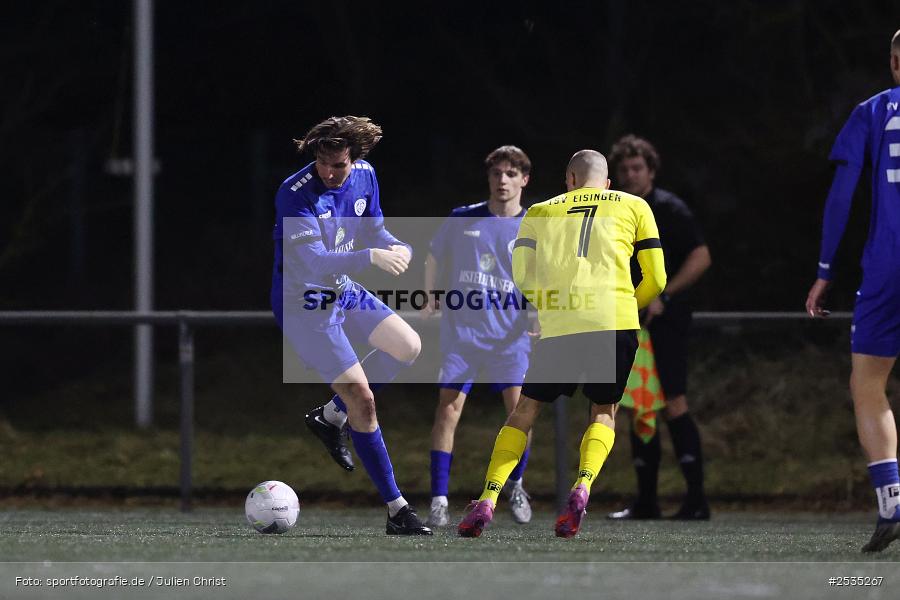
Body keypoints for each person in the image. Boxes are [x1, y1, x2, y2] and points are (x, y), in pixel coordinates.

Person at [457, 150, 666, 538]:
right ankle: (582, 486)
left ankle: (487, 498)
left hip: (561, 322)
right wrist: (622, 308)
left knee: (524, 410)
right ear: (607, 183)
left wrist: (549, 307)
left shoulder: (540, 212)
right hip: (614, 320)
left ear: (569, 179)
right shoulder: (635, 206)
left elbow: (522, 274)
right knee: (604, 410)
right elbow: (657, 279)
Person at [271, 115, 431, 535]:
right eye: (322, 164)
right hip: (303, 303)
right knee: (364, 399)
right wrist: (372, 257)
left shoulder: (365, 175)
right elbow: (313, 263)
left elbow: (375, 229)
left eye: (338, 165)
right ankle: (397, 509)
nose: (329, 173)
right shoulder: (294, 193)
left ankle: (329, 416)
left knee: (408, 347)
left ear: (354, 158)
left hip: (341, 287)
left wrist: (397, 246)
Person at [806, 31, 900, 553]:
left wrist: (825, 268)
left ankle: (891, 500)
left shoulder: (873, 109)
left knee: (868, 382)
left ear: (892, 62)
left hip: (887, 264)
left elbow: (842, 194)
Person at [423, 145, 535, 527]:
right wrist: (432, 290)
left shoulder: (533, 226)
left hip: (510, 339)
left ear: (524, 179)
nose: (502, 180)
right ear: (489, 178)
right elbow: (434, 255)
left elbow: (547, 275)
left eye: (510, 173)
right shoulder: (462, 218)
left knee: (520, 415)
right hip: (464, 336)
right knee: (447, 409)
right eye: (496, 174)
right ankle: (439, 499)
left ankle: (516, 485)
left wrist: (539, 310)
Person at [605, 135, 713, 521]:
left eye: (638, 168)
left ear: (651, 170)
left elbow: (701, 256)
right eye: (624, 169)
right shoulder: (614, 210)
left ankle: (697, 500)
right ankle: (647, 502)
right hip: (626, 320)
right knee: (636, 406)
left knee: (673, 403)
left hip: (665, 321)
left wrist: (663, 296)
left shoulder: (669, 208)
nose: (631, 175)